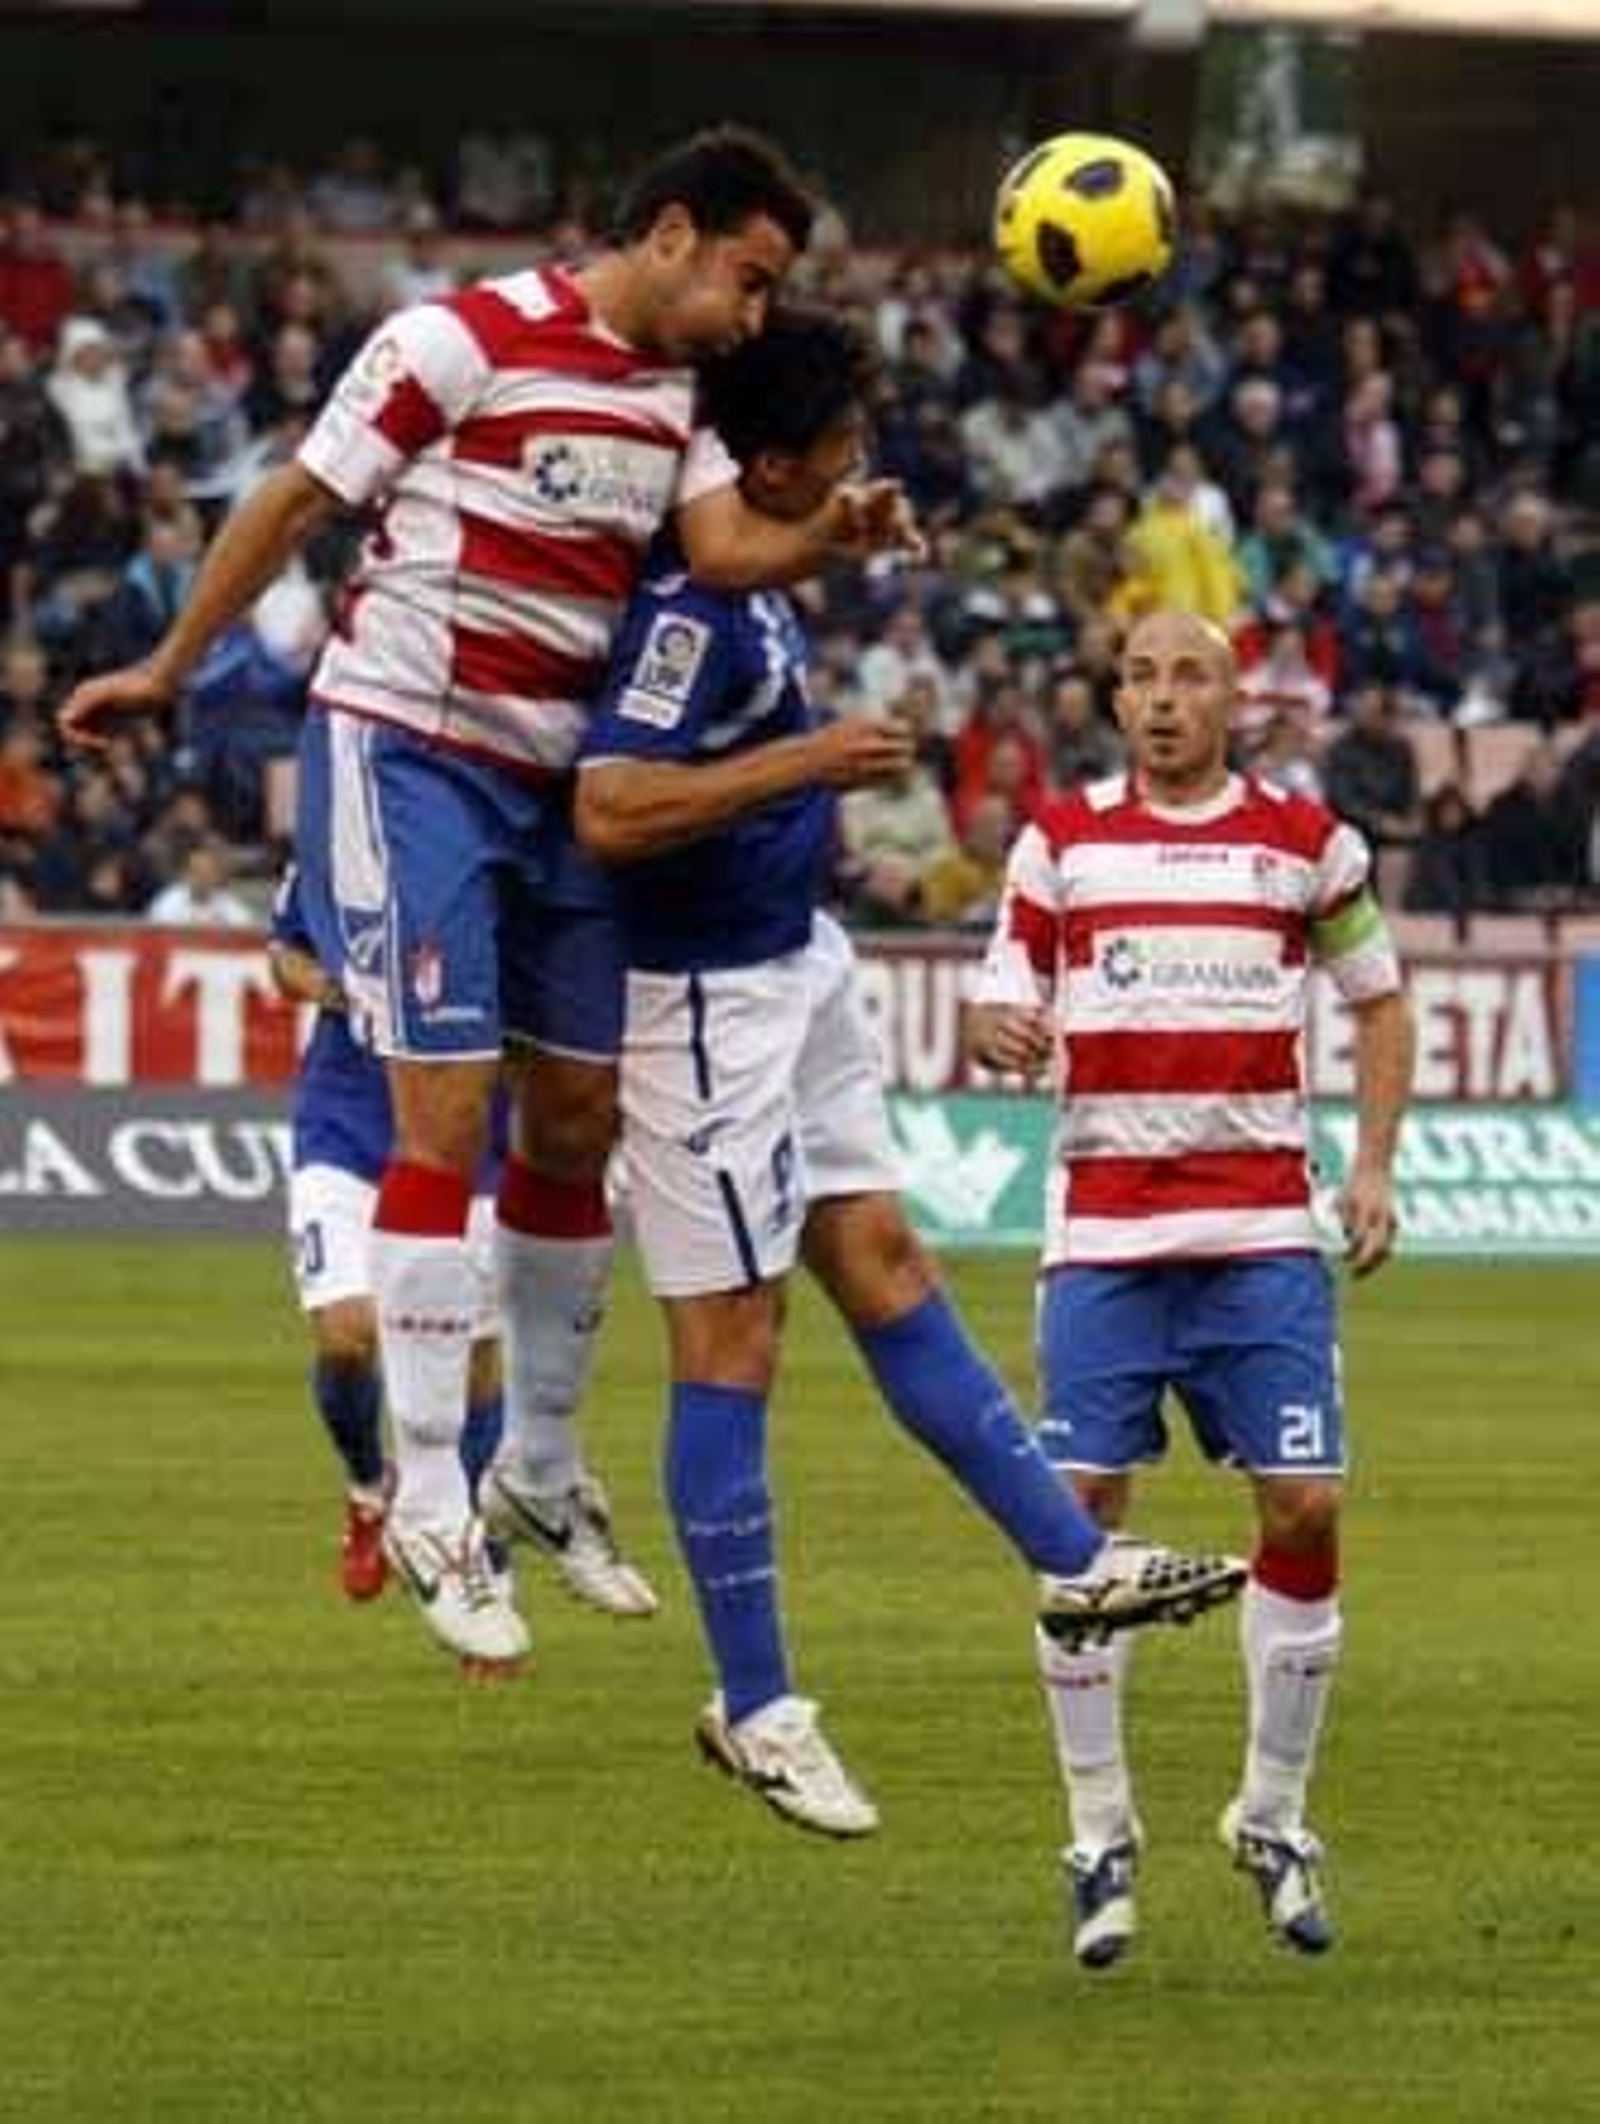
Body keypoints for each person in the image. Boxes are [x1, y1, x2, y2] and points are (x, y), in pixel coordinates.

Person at [61, 128, 917, 1675]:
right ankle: (432, 1500)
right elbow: (297, 500)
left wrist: (832, 537)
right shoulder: (456, 339)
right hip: (411, 756)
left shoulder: (687, 402)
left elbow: (726, 549)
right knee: (445, 1115)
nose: (754, 310)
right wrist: (170, 669)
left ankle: (535, 1459)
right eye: (749, 274)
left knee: (575, 1114)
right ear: (670, 233)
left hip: (553, 796)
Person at [575, 309, 1247, 1843]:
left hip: (791, 963)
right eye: (840, 455)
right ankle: (758, 1708)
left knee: (881, 1256)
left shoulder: (757, 561)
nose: (860, 468)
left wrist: (840, 539)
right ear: (766, 461)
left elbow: (772, 548)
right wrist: (806, 766)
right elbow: (608, 807)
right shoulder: (682, 613)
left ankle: (1073, 1564)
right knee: (733, 1340)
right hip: (699, 1004)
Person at [966, 609, 1413, 1966]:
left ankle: (1272, 1816)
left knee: (1308, 1502)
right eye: (1142, 677)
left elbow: (1381, 1003)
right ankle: (1099, 1831)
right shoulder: (1061, 838)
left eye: (1190, 677)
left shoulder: (1307, 842)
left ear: (1236, 700)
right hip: (1104, 1241)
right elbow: (999, 993)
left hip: (1263, 1235)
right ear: (1118, 697)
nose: (1162, 701)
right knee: (1081, 1527)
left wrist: (1376, 1166)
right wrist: (993, 1025)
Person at [267, 870, 657, 1634]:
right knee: (346, 1338)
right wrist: (353, 994)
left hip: (470, 1153)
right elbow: (285, 958)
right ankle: (369, 1487)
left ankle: (485, 1568)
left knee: (474, 1365)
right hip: (343, 1136)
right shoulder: (341, 842)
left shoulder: (512, 869)